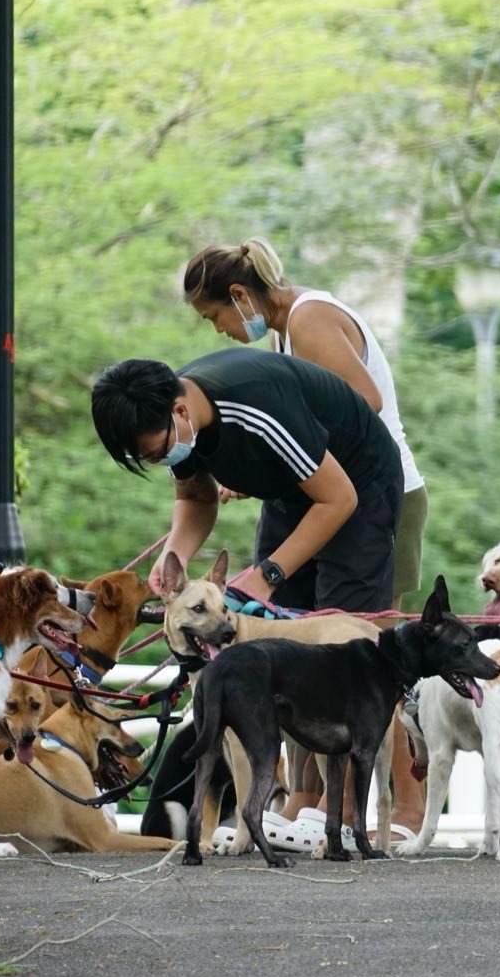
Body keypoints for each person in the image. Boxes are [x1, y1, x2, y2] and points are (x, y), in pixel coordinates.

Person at [179, 237, 431, 839]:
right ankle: (308, 800)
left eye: (214, 315)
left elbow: (359, 407)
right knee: (301, 646)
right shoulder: (281, 332)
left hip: (377, 498)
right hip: (323, 499)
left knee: (372, 656)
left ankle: (403, 812)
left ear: (240, 297)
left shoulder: (312, 320)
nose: (217, 330)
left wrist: (300, 465)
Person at [91, 351, 402, 615]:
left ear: (180, 412)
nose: (157, 461)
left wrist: (267, 576)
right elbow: (196, 497)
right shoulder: (178, 421)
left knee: (341, 628)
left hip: (359, 485)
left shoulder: (254, 406)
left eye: (157, 453)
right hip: (290, 488)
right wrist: (175, 554)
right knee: (273, 620)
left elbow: (338, 499)